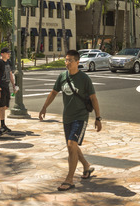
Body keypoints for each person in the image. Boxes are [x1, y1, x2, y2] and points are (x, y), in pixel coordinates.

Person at [39, 50, 102, 191]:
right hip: (67, 117)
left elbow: (93, 98)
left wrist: (98, 118)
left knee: (71, 143)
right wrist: (44, 107)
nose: (67, 63)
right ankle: (86, 165)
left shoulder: (84, 79)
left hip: (80, 116)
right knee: (71, 146)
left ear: (77, 62)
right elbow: (53, 93)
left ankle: (69, 179)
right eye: (66, 60)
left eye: (70, 60)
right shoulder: (62, 76)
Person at [0, 47, 16, 134]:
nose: (9, 54)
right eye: (7, 53)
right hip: (0, 86)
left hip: (6, 86)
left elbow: (10, 73)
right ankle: (2, 125)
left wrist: (13, 85)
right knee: (2, 107)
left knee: (6, 106)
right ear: (2, 54)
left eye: (9, 53)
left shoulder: (8, 62)